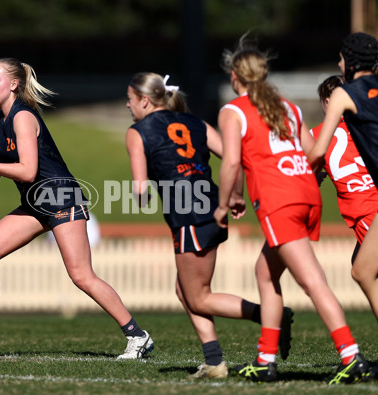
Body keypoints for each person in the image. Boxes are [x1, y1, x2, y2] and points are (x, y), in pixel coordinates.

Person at [0, 58, 153, 359]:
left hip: (60, 197)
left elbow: (28, 171)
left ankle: (138, 336)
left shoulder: (23, 117)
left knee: (81, 275)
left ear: (14, 84)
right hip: (35, 203)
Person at [216, 40, 369, 384]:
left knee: (312, 281)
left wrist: (225, 203)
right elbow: (312, 151)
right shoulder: (288, 107)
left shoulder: (233, 111)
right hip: (306, 193)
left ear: (234, 77)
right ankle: (265, 359)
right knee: (265, 273)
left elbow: (230, 163)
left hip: (279, 200)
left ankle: (351, 356)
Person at [124, 72, 292, 378]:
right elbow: (233, 156)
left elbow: (139, 188)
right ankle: (214, 360)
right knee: (185, 289)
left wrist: (142, 196)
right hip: (213, 207)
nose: (127, 106)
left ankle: (271, 317)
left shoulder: (137, 132)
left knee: (198, 296)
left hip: (188, 213)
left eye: (130, 100)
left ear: (145, 101)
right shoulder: (196, 123)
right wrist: (236, 195)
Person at [308, 32, 378, 380]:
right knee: (363, 269)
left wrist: (295, 169)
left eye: (341, 59)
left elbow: (317, 150)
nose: (339, 65)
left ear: (350, 61)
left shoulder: (344, 93)